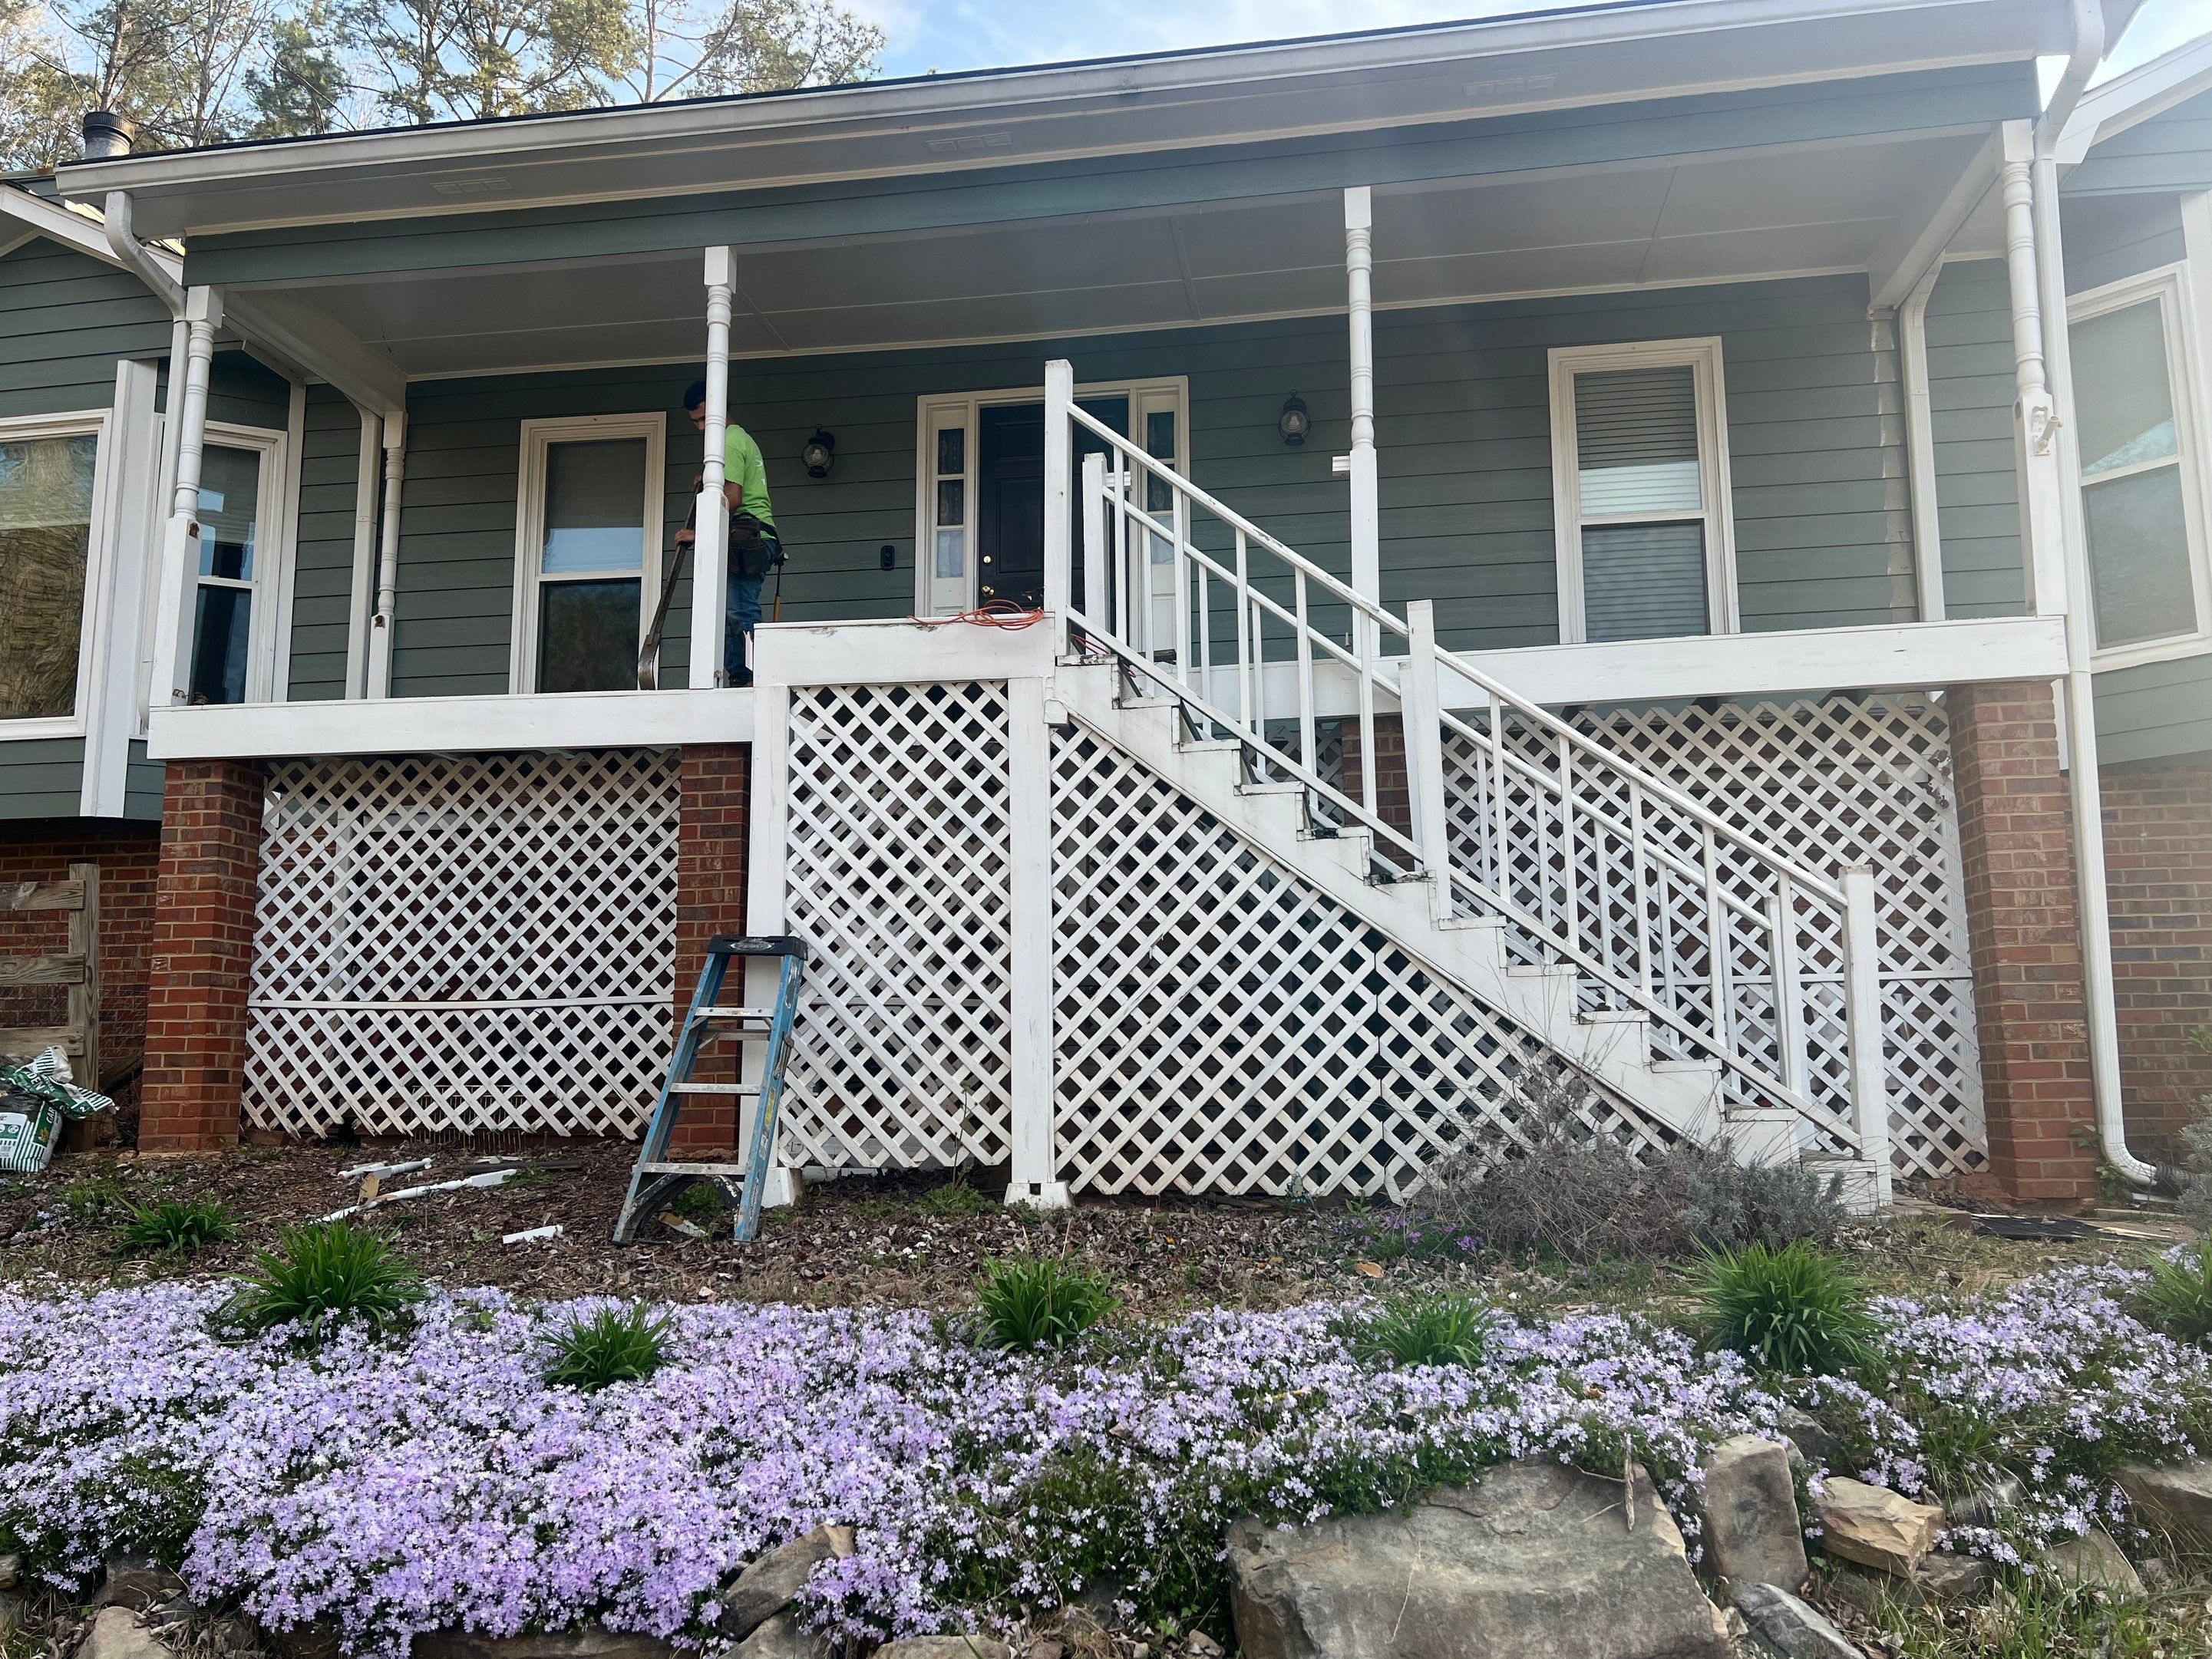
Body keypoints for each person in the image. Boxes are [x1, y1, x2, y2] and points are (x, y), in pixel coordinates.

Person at [675, 380, 780, 687]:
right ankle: (739, 677)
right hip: (755, 535)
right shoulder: (739, 438)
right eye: (695, 421)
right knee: (733, 609)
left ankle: (752, 678)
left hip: (750, 535)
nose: (700, 428)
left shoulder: (728, 440)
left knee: (740, 608)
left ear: (721, 409)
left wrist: (698, 532)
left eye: (704, 419)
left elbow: (732, 499)